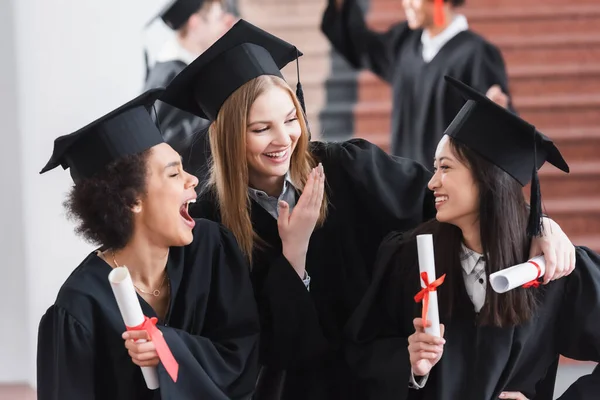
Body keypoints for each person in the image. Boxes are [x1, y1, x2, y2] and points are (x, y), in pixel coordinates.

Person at [159, 20, 575, 400]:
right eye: (260, 128)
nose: (283, 138)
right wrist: (294, 255)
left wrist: (535, 221)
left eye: (290, 119)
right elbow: (264, 346)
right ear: (230, 137)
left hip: (379, 382)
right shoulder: (210, 221)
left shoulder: (346, 168)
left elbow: (450, 200)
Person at [344, 77, 599, 400]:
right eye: (434, 167)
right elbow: (361, 353)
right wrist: (408, 364)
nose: (432, 182)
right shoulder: (409, 256)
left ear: (486, 179)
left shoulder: (553, 270)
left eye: (445, 168)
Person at [36, 89, 259, 400]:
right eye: (174, 173)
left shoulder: (211, 250)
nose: (192, 179)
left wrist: (170, 349)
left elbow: (245, 359)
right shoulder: (79, 308)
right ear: (131, 200)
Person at [321, 0, 511, 166]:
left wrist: (496, 114)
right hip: (405, 183)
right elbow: (360, 45)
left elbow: (501, 130)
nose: (406, 3)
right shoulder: (405, 42)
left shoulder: (477, 55)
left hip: (448, 189)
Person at [144, 0, 236, 182]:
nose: (223, 25)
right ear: (195, 22)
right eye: (217, 18)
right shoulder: (174, 76)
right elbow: (172, 144)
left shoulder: (179, 67)